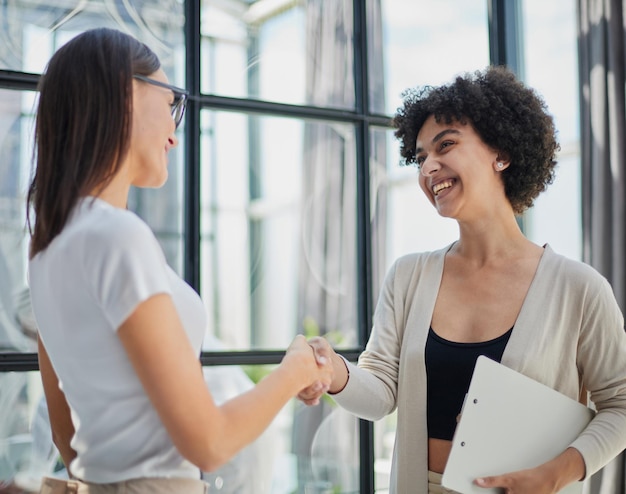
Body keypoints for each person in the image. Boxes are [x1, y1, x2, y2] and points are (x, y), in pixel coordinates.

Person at [27, 27, 332, 494]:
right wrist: (295, 370)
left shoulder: (48, 248)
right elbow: (209, 443)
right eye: (171, 103)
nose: (176, 128)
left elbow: (67, 440)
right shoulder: (116, 235)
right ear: (125, 94)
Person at [299, 65, 626, 493]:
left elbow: (619, 405)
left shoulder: (578, 288)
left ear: (502, 153)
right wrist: (333, 372)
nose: (428, 168)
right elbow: (380, 391)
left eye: (446, 145)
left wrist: (559, 471)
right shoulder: (408, 276)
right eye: (420, 158)